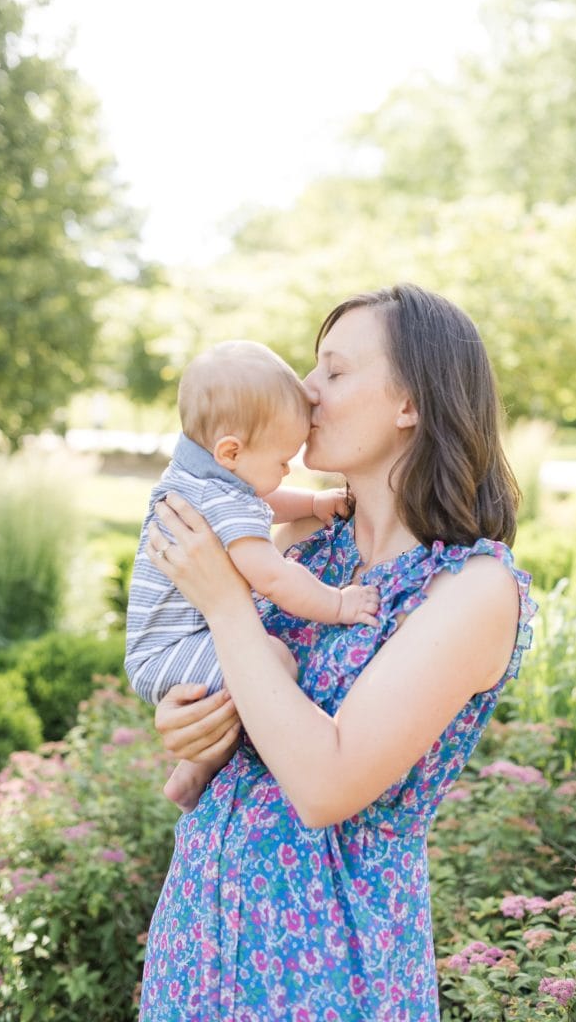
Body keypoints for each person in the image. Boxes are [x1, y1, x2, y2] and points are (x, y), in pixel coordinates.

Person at [138, 284, 537, 1022]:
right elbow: (245, 697)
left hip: (324, 967)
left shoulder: (472, 591)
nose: (305, 389)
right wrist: (191, 722)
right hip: (201, 937)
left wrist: (227, 606)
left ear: (410, 403)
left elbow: (324, 786)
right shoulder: (301, 550)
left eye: (333, 370)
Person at [126, 341, 379, 812]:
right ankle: (196, 770)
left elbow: (259, 501)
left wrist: (311, 505)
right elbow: (274, 578)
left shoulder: (203, 479)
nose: (287, 470)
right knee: (275, 660)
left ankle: (196, 768)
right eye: (282, 460)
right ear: (230, 451)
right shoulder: (219, 497)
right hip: (171, 651)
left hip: (166, 646)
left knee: (264, 658)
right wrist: (339, 603)